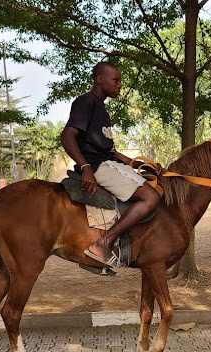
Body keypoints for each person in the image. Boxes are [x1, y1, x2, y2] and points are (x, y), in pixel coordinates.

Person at [60, 61, 163, 267]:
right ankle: (104, 243)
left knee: (154, 185)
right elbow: (67, 136)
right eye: (115, 80)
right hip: (98, 167)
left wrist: (140, 165)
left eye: (120, 81)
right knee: (150, 198)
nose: (119, 85)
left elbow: (111, 151)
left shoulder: (102, 110)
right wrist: (85, 168)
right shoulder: (85, 102)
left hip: (108, 162)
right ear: (100, 79)